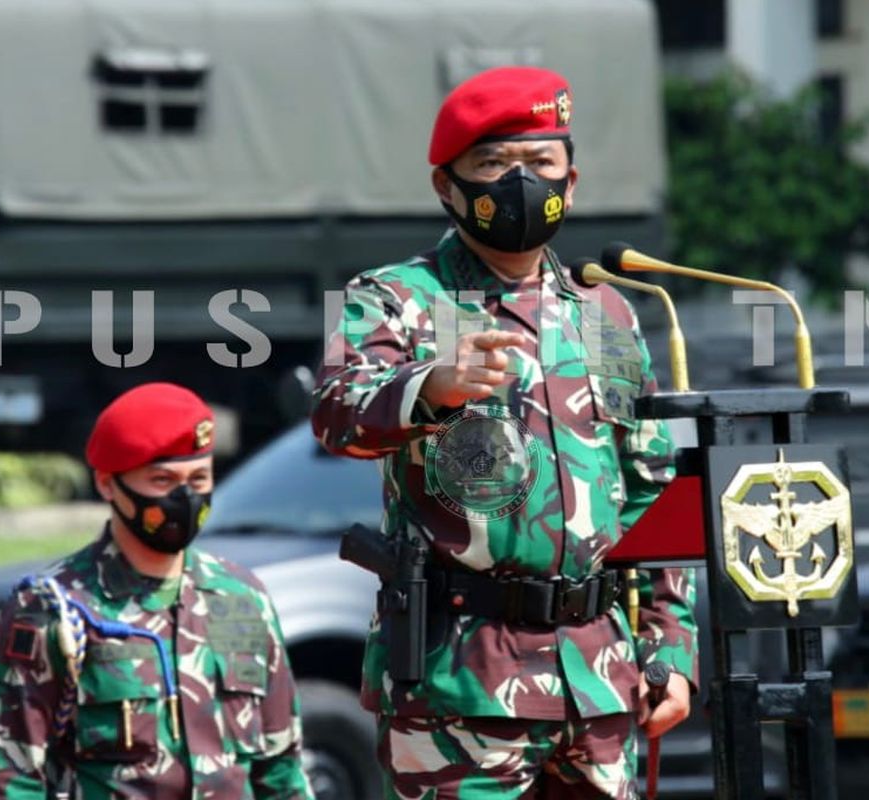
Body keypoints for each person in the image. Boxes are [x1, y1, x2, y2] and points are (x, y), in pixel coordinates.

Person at [311, 66, 697, 798]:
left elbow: (653, 488)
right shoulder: (400, 299)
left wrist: (672, 648)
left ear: (572, 181)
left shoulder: (606, 309)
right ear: (446, 186)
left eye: (539, 164)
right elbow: (338, 418)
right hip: (462, 681)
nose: (520, 183)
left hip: (599, 680)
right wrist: (432, 389)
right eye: (492, 165)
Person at [0, 382, 314, 799]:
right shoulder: (53, 609)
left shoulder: (244, 599)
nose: (185, 498)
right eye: (162, 480)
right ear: (107, 485)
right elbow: (11, 778)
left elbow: (281, 772)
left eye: (199, 478)